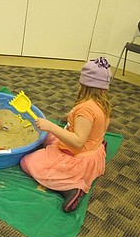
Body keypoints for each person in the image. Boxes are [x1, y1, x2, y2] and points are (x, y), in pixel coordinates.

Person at [20, 57, 112, 213]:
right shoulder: (101, 103)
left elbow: (77, 142)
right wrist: (70, 118)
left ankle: (70, 188)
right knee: (49, 137)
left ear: (83, 84)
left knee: (28, 161)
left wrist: (51, 126)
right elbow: (90, 125)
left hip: (78, 157)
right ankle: (98, 148)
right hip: (93, 148)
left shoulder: (85, 109)